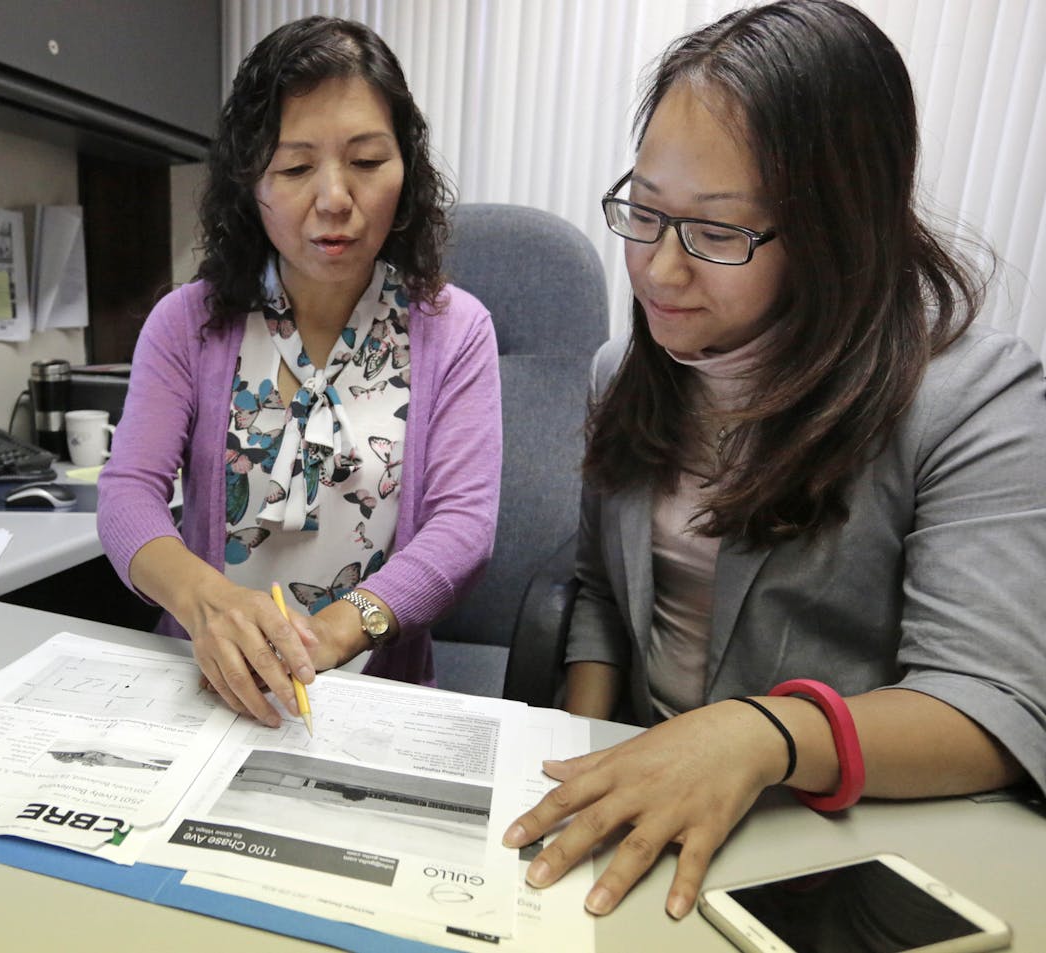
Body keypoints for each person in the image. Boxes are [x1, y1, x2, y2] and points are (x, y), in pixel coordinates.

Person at [504, 0, 1046, 922]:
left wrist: (759, 733)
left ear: (840, 228)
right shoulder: (626, 372)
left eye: (718, 233)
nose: (659, 272)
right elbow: (598, 589)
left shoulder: (974, 396)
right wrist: (584, 739)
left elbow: (993, 704)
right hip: (642, 808)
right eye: (645, 211)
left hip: (821, 845)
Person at [97, 16, 501, 730]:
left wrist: (337, 631)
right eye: (293, 168)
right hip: (205, 688)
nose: (335, 198)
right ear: (249, 182)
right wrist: (204, 601)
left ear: (407, 172)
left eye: (368, 162)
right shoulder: (187, 323)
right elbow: (129, 494)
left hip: (378, 698)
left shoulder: (454, 328)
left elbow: (463, 527)